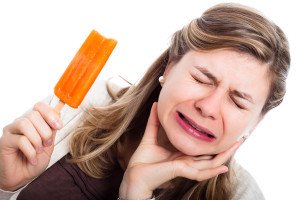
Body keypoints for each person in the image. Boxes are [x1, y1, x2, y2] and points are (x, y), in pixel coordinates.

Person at [0, 3, 290, 200]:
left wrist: (135, 192)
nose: (209, 107)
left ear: (258, 119)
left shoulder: (241, 195)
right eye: (202, 78)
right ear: (170, 66)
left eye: (238, 102)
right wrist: (5, 185)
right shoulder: (81, 106)